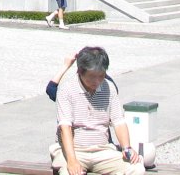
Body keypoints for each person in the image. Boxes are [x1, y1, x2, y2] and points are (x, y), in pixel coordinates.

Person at [51, 46, 144, 175]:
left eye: (101, 76)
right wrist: (72, 161)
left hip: (103, 150)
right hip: (74, 150)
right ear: (79, 71)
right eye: (92, 77)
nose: (97, 81)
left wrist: (126, 148)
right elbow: (65, 127)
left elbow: (119, 121)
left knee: (136, 168)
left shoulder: (109, 87)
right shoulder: (66, 89)